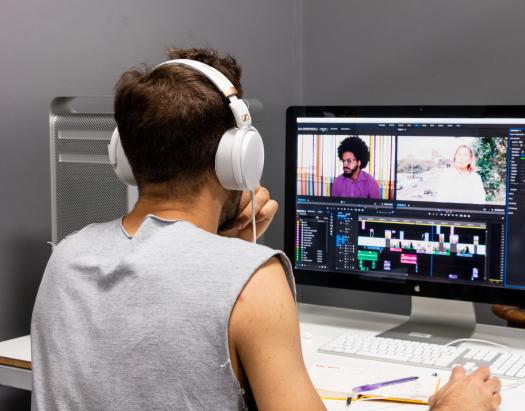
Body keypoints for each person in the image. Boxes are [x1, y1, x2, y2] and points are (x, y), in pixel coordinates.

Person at [31, 47, 501, 411]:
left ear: (124, 157)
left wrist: (219, 248)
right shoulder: (251, 279)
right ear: (238, 159)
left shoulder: (66, 258)